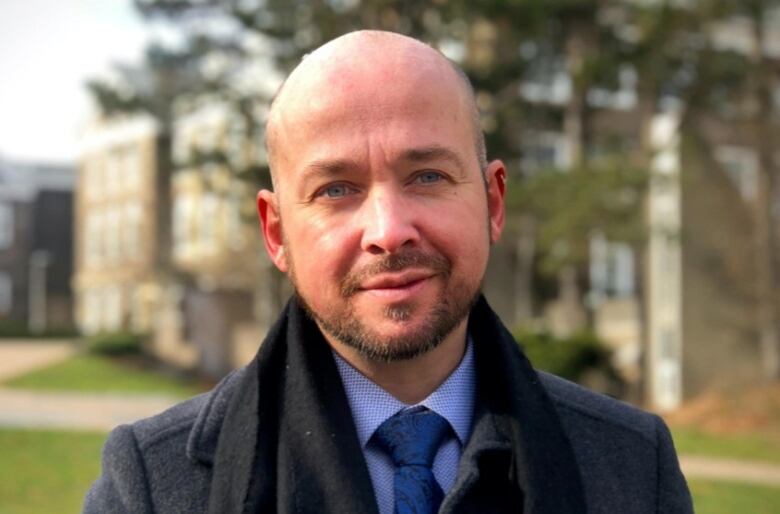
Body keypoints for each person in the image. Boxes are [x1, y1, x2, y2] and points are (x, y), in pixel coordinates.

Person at [84, 31, 693, 514]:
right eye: (335, 189)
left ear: (493, 203)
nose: (388, 229)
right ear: (276, 233)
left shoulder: (635, 468)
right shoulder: (151, 487)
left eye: (427, 176)